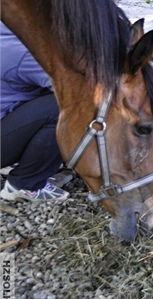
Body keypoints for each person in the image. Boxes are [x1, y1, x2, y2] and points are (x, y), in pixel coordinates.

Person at [1, 22, 69, 201]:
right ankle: (26, 183)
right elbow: (72, 90)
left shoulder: (6, 29)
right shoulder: (23, 51)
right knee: (63, 107)